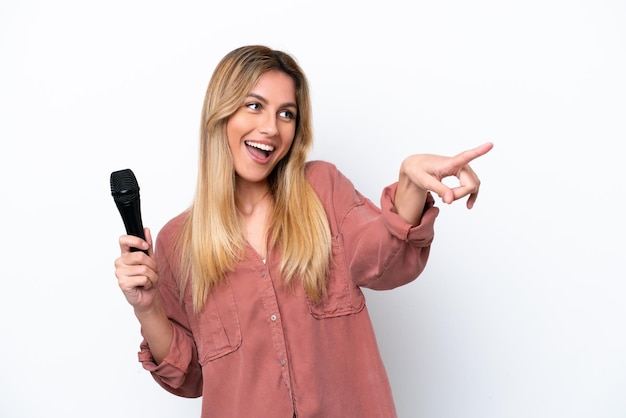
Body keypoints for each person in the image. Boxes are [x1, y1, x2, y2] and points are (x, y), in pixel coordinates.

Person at [114, 44, 493, 418]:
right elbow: (190, 376)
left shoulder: (323, 190)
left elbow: (385, 260)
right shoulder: (177, 243)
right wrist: (146, 309)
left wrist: (410, 182)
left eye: (286, 114)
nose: (271, 128)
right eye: (254, 105)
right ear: (220, 114)